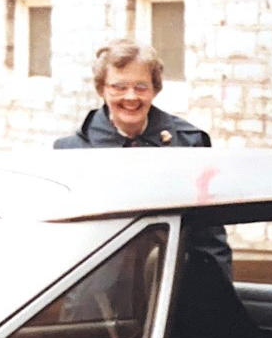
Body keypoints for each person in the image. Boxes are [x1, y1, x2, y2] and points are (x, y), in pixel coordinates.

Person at [54, 39, 232, 276]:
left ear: (155, 89)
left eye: (141, 87)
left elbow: (210, 239)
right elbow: (67, 245)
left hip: (174, 287)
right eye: (118, 87)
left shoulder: (189, 145)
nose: (130, 97)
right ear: (101, 90)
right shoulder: (72, 153)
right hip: (96, 290)